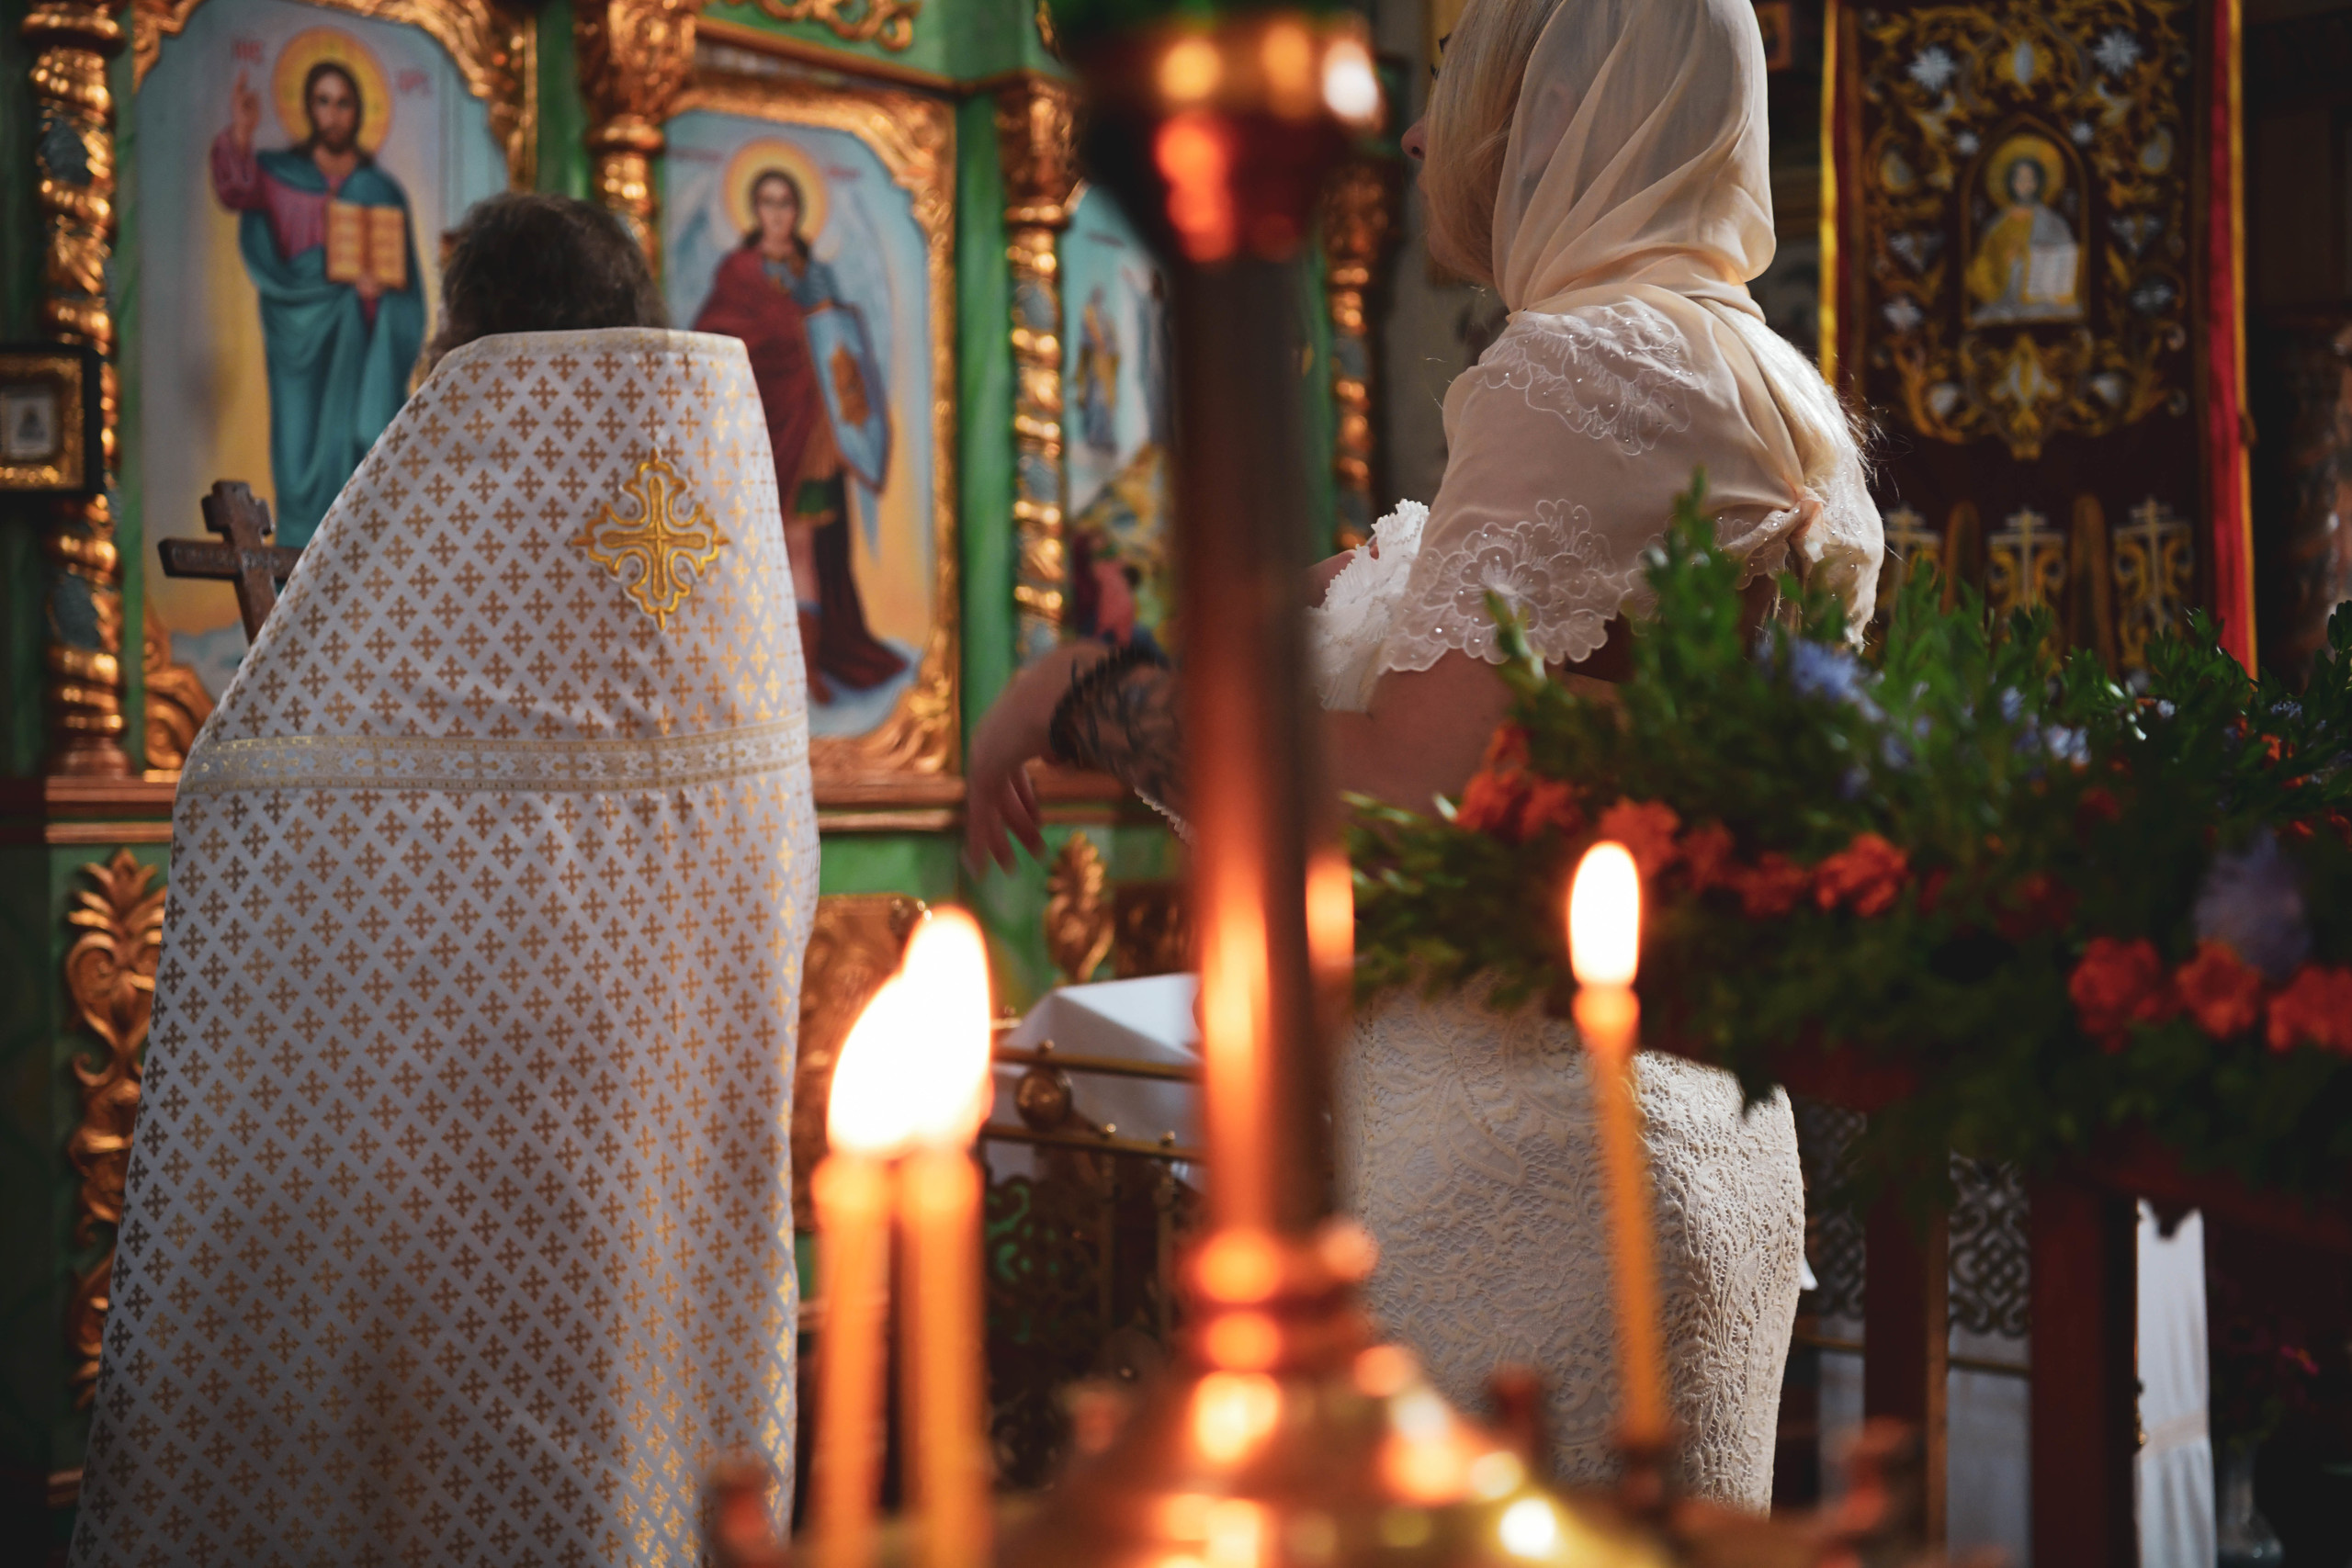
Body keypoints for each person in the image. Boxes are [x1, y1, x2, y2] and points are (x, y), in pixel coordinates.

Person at [965, 0, 1883, 1506]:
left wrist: (1092, 694)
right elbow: (1558, 739)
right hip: (1701, 1142)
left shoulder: (1578, 366)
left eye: (1476, 98)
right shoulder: (1762, 377)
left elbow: (1417, 779)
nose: (1418, 139)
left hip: (1512, 1154)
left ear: (1567, 117)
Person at [71, 194, 817, 1564]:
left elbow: (252, 809)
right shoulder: (712, 547)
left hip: (464, 1204)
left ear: (467, 341)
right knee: (630, 1456)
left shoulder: (449, 535)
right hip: (660, 1170)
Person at [694, 168, 907, 705]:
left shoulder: (816, 274)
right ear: (753, 208)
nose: (777, 213)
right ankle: (753, 664)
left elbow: (838, 346)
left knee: (802, 548)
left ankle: (804, 668)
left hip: (812, 436)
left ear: (799, 210)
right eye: (766, 202)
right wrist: (781, 333)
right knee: (750, 551)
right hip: (758, 431)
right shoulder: (737, 272)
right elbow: (715, 344)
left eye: (786, 202)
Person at [212, 57, 425, 545]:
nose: (333, 114)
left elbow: (407, 287)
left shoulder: (381, 189)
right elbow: (235, 190)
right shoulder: (280, 174)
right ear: (309, 107)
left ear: (358, 111)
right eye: (323, 102)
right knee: (296, 464)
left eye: (344, 103)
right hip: (298, 341)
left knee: (360, 467)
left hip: (362, 348)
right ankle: (301, 590)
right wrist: (243, 133)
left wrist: (377, 297)